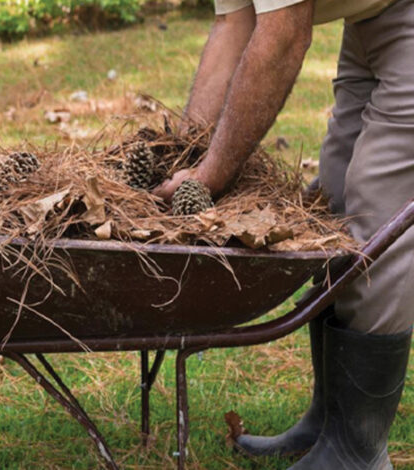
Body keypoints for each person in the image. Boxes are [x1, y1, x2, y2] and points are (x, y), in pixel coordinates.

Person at [153, 0, 414, 468]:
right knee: (332, 200)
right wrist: (182, 151)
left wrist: (209, 175)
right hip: (372, 15)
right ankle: (328, 422)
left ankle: (357, 451)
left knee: (377, 210)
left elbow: (282, 38)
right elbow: (234, 23)